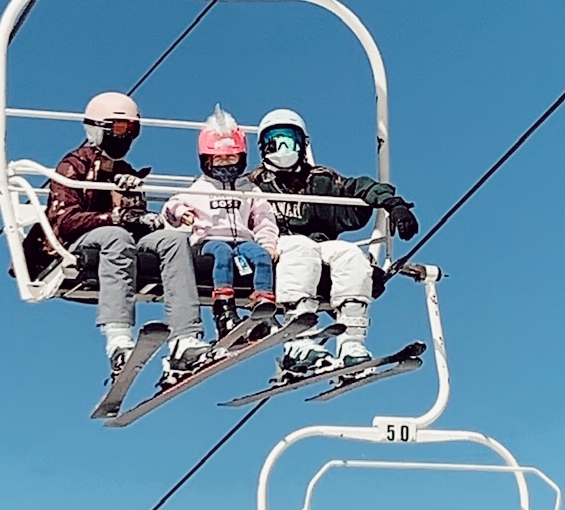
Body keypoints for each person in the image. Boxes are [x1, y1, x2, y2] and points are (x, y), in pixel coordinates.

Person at [47, 90, 208, 385]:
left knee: (172, 241)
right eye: (119, 129)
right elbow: (64, 222)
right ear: (98, 128)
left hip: (122, 237)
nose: (125, 137)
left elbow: (135, 224)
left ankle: (185, 337)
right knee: (115, 237)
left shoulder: (123, 171)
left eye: (132, 131)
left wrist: (135, 205)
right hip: (81, 240)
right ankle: (119, 339)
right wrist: (115, 217)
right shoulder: (73, 166)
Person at [249, 109, 419, 373]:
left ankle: (352, 342)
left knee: (348, 253)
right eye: (274, 141)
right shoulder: (255, 186)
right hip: (276, 246)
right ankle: (299, 340)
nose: (282, 148)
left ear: (302, 144)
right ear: (263, 148)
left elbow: (359, 187)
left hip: (319, 246)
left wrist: (393, 204)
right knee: (301, 248)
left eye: (289, 141)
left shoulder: (321, 180)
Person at [162, 111, 280, 337]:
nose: (226, 164)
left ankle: (264, 304)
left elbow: (264, 218)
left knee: (261, 256)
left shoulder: (248, 189)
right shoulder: (201, 187)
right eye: (219, 159)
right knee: (222, 253)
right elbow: (173, 204)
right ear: (207, 160)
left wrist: (268, 244)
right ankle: (224, 309)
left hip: (243, 240)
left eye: (231, 158)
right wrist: (183, 213)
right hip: (210, 239)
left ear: (241, 158)